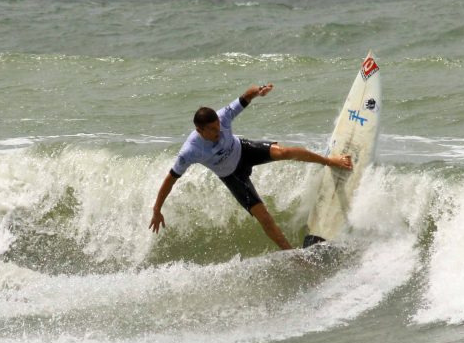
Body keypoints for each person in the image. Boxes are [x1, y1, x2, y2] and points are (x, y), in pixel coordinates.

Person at [149, 83, 352, 250]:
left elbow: (244, 98)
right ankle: (294, 255)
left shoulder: (222, 117)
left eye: (218, 127)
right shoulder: (190, 151)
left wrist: (258, 92)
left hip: (244, 150)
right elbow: (170, 179)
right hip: (231, 175)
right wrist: (157, 209)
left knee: (284, 152)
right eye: (211, 130)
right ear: (199, 130)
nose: (217, 131)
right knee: (264, 217)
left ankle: (330, 161)